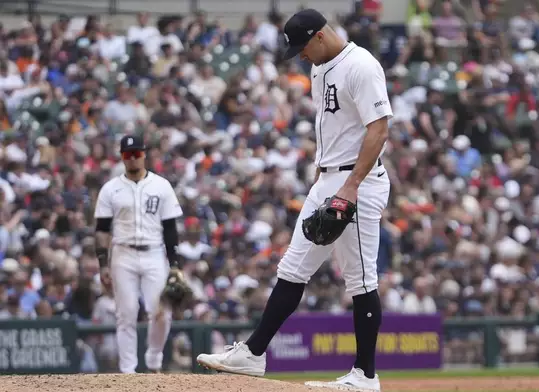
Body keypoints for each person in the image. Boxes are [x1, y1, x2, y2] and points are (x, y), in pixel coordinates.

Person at [197, 8, 392, 391]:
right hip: (330, 177)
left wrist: (349, 186)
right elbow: (332, 128)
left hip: (358, 181)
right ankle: (254, 353)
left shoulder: (362, 66)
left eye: (303, 46)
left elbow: (379, 130)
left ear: (320, 35)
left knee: (360, 279)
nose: (301, 55)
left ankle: (365, 376)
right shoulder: (320, 68)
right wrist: (322, 176)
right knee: (292, 268)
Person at [94, 135, 183, 374]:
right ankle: (128, 372)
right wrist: (103, 264)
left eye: (136, 153)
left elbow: (171, 228)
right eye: (127, 154)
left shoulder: (161, 185)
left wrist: (174, 265)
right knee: (126, 314)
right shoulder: (110, 189)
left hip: (155, 253)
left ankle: (154, 360)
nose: (132, 158)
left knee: (162, 313)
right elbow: (102, 230)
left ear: (144, 154)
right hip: (123, 254)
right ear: (122, 157)